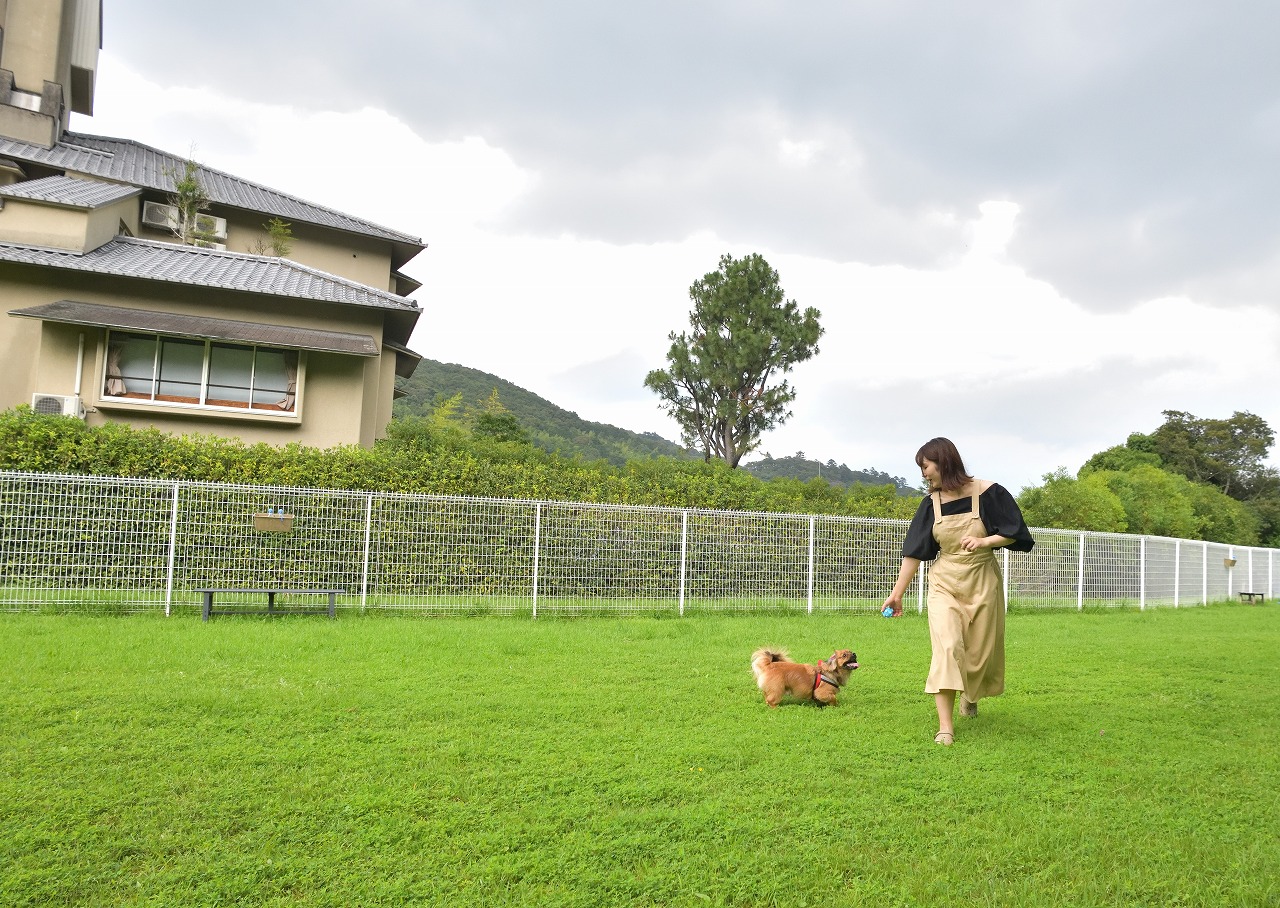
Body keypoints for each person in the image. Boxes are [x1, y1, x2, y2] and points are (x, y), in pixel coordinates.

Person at [882, 438, 1034, 746]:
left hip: (983, 579)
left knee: (979, 653)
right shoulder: (930, 505)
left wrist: (984, 541)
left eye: (925, 466)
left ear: (943, 461)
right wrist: (897, 593)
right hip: (944, 582)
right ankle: (945, 727)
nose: (924, 474)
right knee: (948, 647)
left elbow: (1014, 532)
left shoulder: (989, 492)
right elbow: (914, 552)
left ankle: (970, 696)